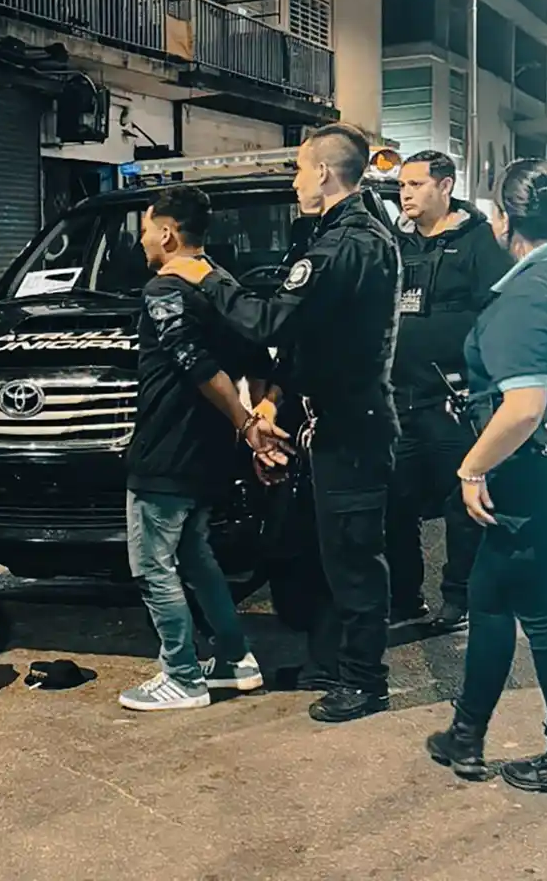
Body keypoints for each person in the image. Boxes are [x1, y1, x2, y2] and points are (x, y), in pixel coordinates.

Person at [177, 123, 401, 723]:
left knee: (354, 561)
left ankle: (364, 681)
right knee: (316, 554)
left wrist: (208, 277)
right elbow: (312, 341)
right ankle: (328, 665)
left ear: (325, 173)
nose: (297, 181)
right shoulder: (336, 233)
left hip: (353, 428)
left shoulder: (347, 243)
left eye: (301, 170)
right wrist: (276, 402)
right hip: (327, 423)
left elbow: (273, 321)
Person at [425, 159, 547, 800]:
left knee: (543, 616)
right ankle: (466, 735)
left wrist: (471, 466)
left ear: (505, 219)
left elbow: (524, 407)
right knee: (491, 596)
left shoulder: (526, 297)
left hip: (538, 469)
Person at [118, 185, 281, 712]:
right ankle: (234, 659)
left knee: (150, 565)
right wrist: (256, 415)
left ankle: (182, 676)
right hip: (207, 451)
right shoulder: (222, 284)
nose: (143, 240)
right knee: (195, 556)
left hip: (168, 448)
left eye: (146, 229)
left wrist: (247, 423)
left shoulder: (166, 288)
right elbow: (257, 355)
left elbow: (196, 365)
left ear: (167, 232)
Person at [386, 151, 515, 633]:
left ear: (445, 187)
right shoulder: (398, 243)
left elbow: (499, 314)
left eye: (417, 184)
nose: (406, 192)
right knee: (396, 502)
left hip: (453, 399)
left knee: (462, 504)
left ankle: (457, 599)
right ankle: (404, 598)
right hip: (401, 399)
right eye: (403, 184)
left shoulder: (478, 242)